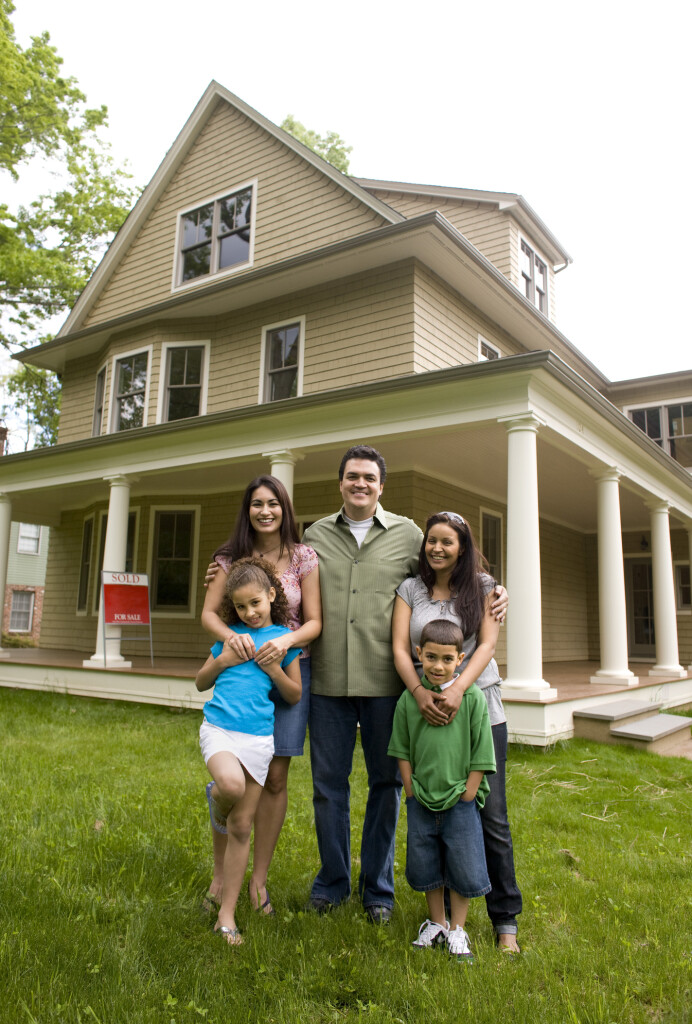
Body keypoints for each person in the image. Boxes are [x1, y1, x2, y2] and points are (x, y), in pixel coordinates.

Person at [302, 444, 508, 922]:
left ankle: (378, 891)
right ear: (340, 483)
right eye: (352, 476)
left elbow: (449, 573)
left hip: (385, 687)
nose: (360, 484)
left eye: (369, 478)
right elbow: (285, 580)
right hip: (328, 681)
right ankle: (331, 884)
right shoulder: (314, 536)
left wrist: (496, 589)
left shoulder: (408, 534)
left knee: (386, 785)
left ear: (381, 486)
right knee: (327, 787)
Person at [392, 510, 522, 953]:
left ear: (462, 547)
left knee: (491, 816)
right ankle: (443, 920)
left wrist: (457, 689)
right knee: (437, 814)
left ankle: (505, 921)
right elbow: (398, 645)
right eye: (432, 540)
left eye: (448, 541)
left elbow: (486, 644)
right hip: (424, 706)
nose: (437, 548)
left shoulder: (484, 588)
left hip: (478, 706)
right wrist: (420, 691)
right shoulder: (411, 588)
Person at [201, 475, 321, 916]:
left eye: (273, 503)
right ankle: (220, 874)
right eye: (256, 504)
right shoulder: (228, 558)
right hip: (240, 674)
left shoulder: (304, 556)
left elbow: (313, 621)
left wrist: (285, 644)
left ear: (284, 508)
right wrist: (233, 643)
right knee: (232, 780)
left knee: (274, 777)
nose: (265, 511)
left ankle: (258, 881)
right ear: (247, 509)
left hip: (287, 667)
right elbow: (209, 614)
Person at [196, 558, 302, 944]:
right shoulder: (231, 638)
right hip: (220, 729)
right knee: (229, 785)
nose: (249, 612)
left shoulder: (281, 640)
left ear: (272, 596)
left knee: (242, 826)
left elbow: (294, 695)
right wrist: (224, 657)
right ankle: (217, 798)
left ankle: (227, 916)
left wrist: (275, 668)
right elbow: (199, 681)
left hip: (258, 740)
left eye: (255, 603)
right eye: (241, 607)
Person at [388, 619, 496, 962]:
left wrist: (469, 792)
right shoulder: (409, 700)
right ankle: (436, 923)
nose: (438, 666)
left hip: (460, 801)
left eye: (447, 659)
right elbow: (402, 747)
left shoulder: (473, 699)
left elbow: (482, 749)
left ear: (460, 659)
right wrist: (409, 788)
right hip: (421, 797)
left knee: (462, 864)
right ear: (419, 654)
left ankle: (457, 929)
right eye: (430, 657)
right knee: (426, 862)